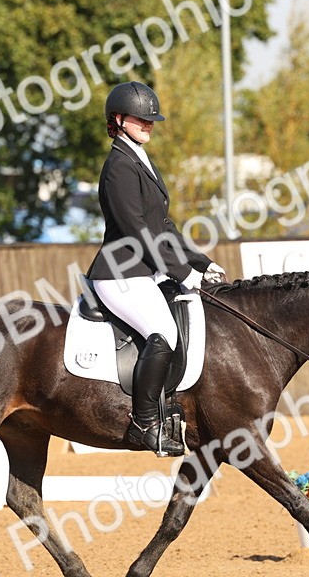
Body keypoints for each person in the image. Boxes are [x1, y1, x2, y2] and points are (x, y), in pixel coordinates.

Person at [86, 81, 227, 456]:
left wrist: (202, 262)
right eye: (141, 118)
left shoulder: (141, 161)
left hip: (141, 272)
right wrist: (183, 274)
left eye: (152, 120)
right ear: (118, 120)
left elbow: (164, 227)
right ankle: (144, 424)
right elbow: (137, 231)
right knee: (163, 333)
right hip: (118, 273)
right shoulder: (118, 166)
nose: (149, 124)